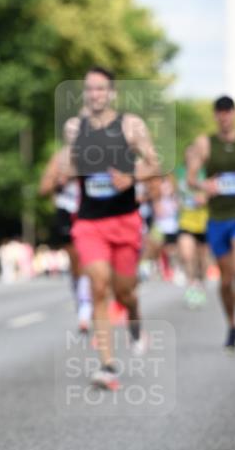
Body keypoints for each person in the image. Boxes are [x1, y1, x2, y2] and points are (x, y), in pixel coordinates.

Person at [59, 67, 160, 389]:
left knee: (124, 290)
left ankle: (134, 317)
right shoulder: (74, 128)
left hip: (125, 219)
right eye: (89, 89)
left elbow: (154, 164)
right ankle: (108, 365)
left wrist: (131, 177)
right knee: (99, 285)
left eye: (101, 89)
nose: (95, 95)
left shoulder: (132, 125)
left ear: (112, 93)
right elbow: (73, 166)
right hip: (90, 221)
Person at [186, 95, 235, 355]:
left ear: (234, 114)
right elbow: (191, 178)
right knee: (226, 280)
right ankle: (231, 324)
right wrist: (204, 185)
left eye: (228, 111)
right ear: (215, 115)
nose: (224, 116)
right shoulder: (205, 144)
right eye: (220, 112)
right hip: (217, 219)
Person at [39, 149, 92, 332]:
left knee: (87, 259)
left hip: (89, 212)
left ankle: (86, 307)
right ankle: (81, 300)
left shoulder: (95, 155)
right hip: (66, 213)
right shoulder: (59, 158)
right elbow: (43, 188)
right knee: (75, 263)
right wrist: (58, 180)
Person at [176, 157, 209, 309]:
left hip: (204, 221)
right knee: (187, 255)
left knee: (202, 260)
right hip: (186, 222)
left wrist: (206, 198)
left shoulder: (207, 172)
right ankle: (192, 287)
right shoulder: (178, 173)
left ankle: (201, 282)